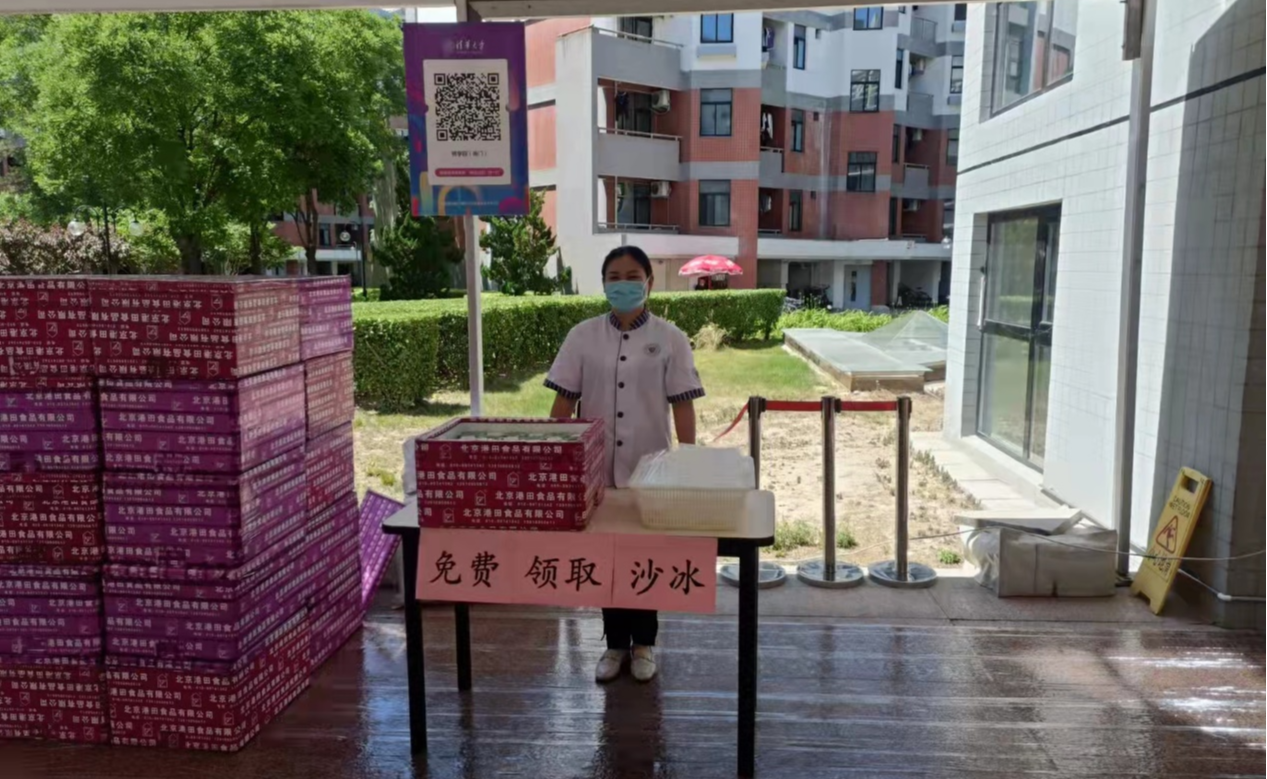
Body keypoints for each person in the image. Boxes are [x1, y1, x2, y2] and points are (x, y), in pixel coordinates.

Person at [545, 245, 704, 684]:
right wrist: (555, 456)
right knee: (607, 556)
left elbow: (683, 404)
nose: (623, 284)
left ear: (649, 282)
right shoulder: (582, 336)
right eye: (614, 277)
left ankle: (644, 644)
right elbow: (563, 402)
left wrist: (688, 460)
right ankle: (614, 644)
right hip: (595, 469)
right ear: (603, 284)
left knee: (644, 557)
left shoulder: (670, 337)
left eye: (633, 276)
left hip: (650, 469)